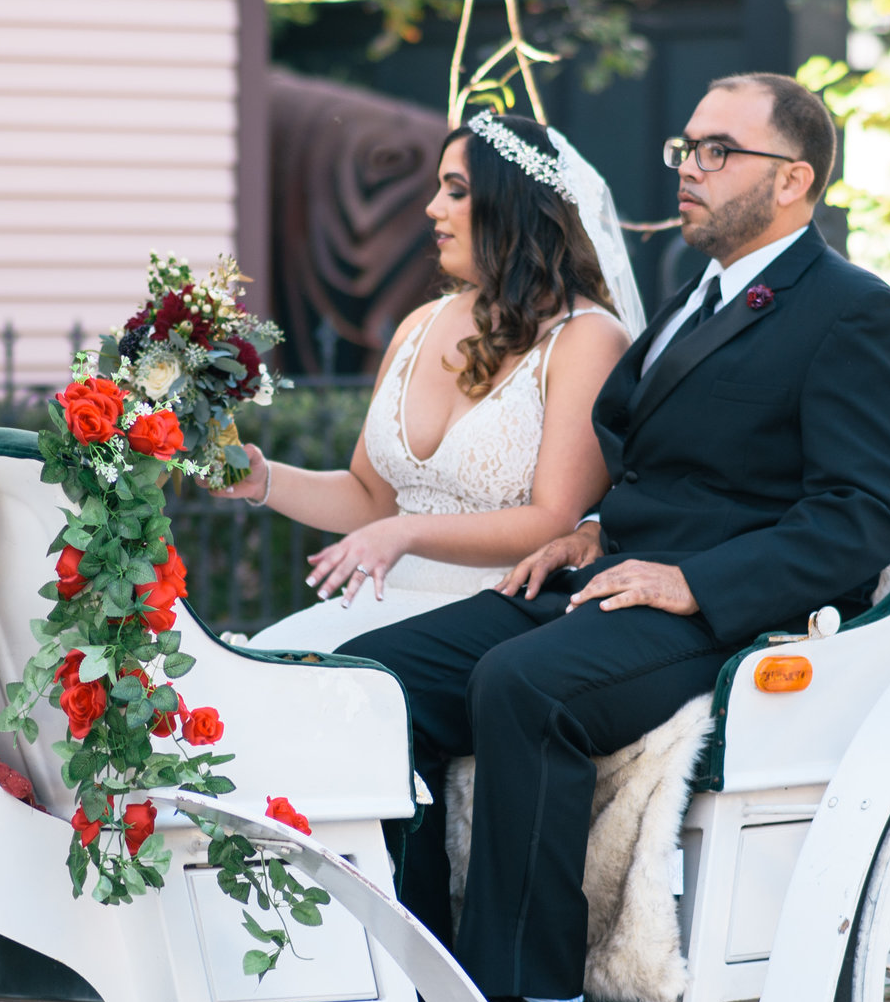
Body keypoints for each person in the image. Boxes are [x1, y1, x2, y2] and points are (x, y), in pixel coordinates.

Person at [345, 73, 890, 1002]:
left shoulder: (854, 315)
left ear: (793, 180)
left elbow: (861, 516)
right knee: (371, 684)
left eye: (716, 152)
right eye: (686, 148)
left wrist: (692, 583)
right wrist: (586, 531)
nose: (688, 170)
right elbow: (666, 470)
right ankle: (428, 969)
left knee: (523, 685)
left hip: (730, 616)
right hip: (610, 581)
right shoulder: (689, 301)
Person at [219, 111, 641, 651]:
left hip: (497, 621)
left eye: (456, 190)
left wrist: (405, 532)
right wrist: (264, 481)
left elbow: (552, 521)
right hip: (380, 606)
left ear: (511, 204)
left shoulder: (588, 339)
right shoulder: (419, 325)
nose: (432, 208)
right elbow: (371, 498)